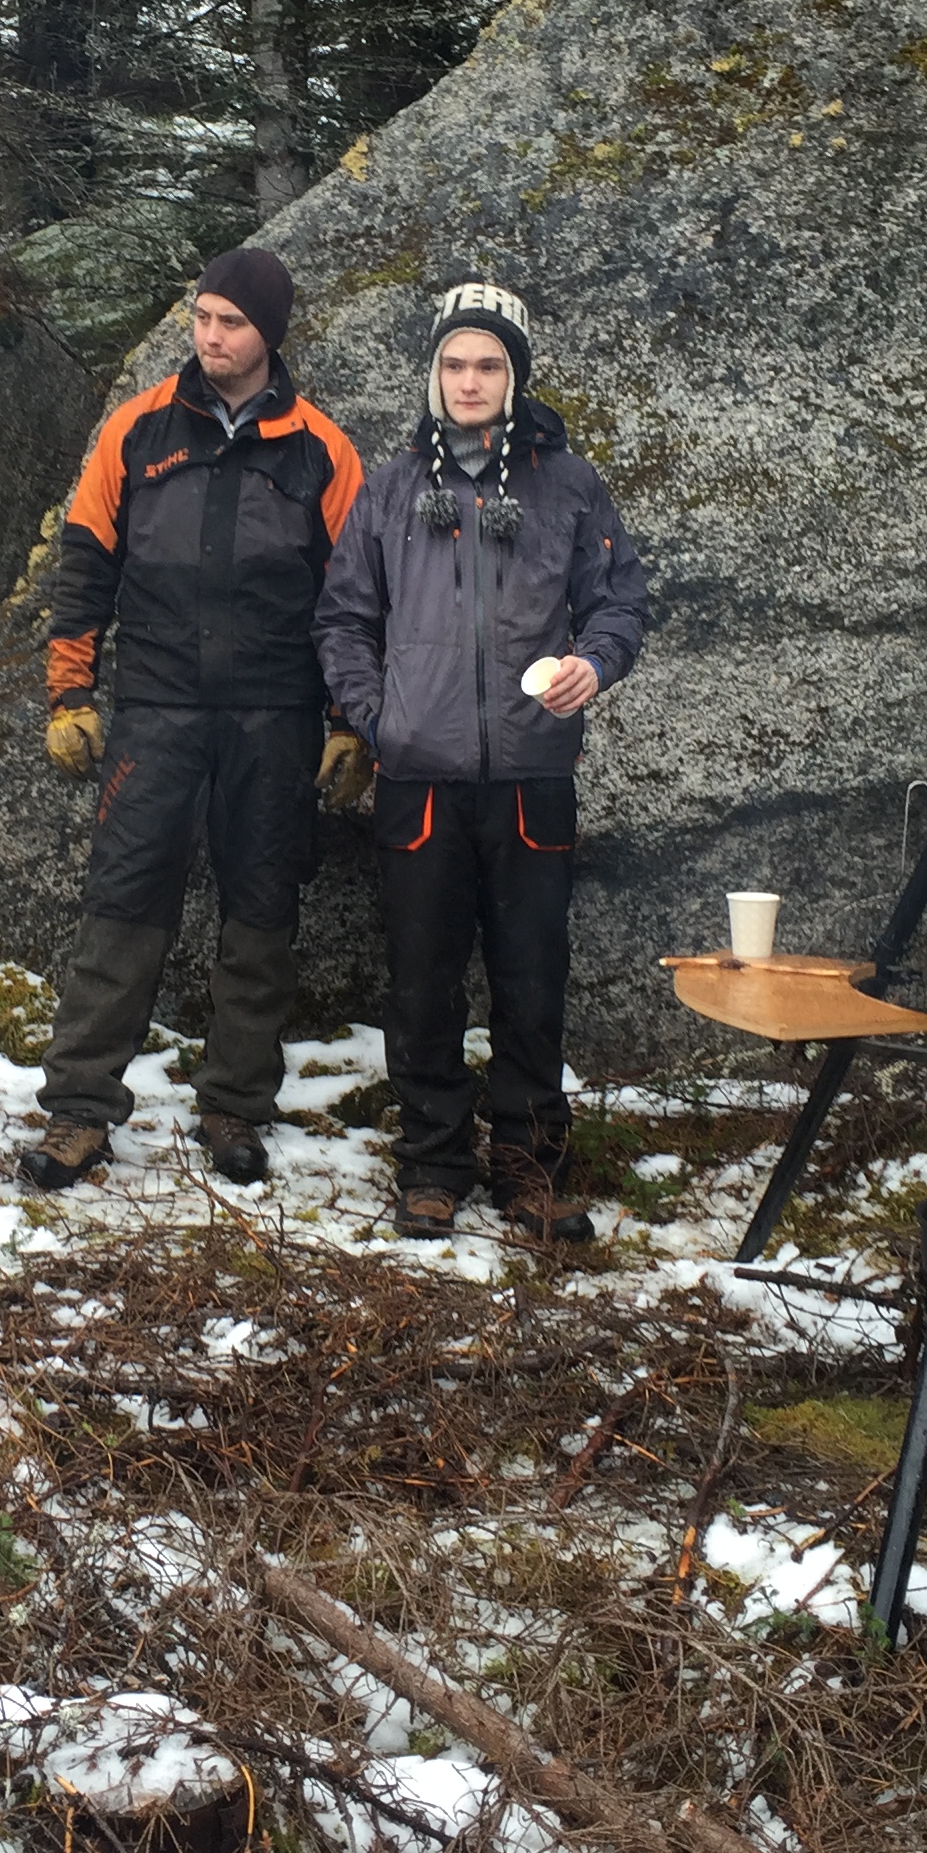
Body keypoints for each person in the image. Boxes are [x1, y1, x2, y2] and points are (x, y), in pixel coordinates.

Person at [22, 248, 368, 1191]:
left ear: (269, 337)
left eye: (231, 323)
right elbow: (85, 565)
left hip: (276, 719)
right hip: (158, 711)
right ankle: (79, 1111)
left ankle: (234, 1109)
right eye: (202, 317)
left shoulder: (324, 451)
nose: (210, 337)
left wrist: (348, 722)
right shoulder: (136, 431)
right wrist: (70, 694)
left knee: (263, 912)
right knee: (123, 903)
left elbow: (352, 600)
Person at [315, 282, 646, 1240]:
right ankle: (430, 1165)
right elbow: (342, 619)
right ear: (434, 374)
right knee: (421, 979)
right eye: (455, 363)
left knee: (532, 978)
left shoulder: (569, 485)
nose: (470, 381)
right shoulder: (387, 489)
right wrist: (381, 719)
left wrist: (595, 661)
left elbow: (621, 601)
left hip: (533, 776)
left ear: (516, 375)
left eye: (489, 364)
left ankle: (529, 1170)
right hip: (418, 781)